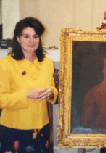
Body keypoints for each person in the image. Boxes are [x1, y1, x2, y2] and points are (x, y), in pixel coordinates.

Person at [0, 17, 58, 152]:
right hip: (14, 131)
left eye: (35, 36)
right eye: (26, 36)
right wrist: (26, 94)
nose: (32, 41)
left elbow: (52, 89)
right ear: (18, 39)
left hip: (42, 130)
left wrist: (51, 92)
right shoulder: (5, 64)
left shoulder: (47, 63)